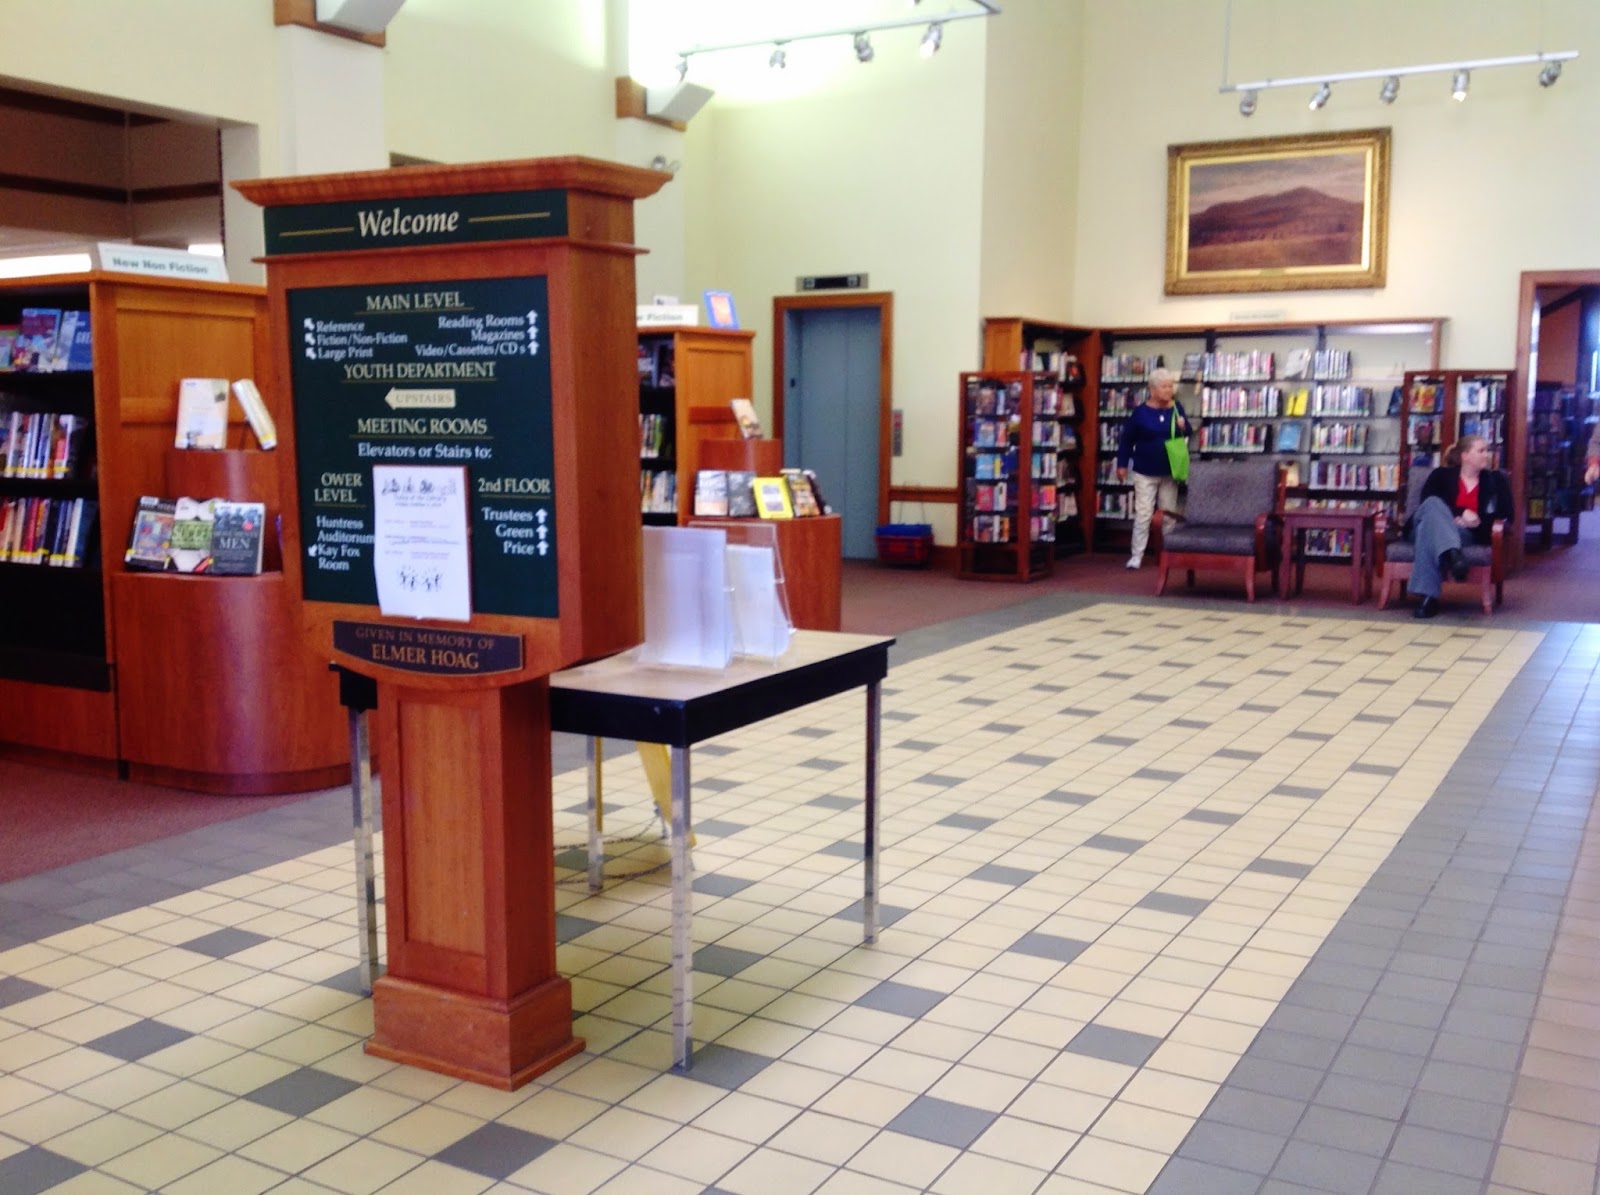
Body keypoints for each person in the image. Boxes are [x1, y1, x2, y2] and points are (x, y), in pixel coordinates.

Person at [1404, 433, 1513, 619]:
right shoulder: (1441, 475)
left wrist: (1477, 521)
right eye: (1481, 451)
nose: (1486, 455)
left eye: (1487, 451)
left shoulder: (1495, 480)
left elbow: (1507, 515)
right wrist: (1458, 513)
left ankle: (1428, 598)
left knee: (1428, 531)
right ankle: (1454, 555)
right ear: (1465, 456)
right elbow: (1426, 504)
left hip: (1466, 533)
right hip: (1426, 523)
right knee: (1432, 504)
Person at [1114, 366, 1193, 569]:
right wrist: (1122, 464)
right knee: (1143, 514)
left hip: (1170, 470)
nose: (1169, 390)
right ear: (1153, 390)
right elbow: (1126, 441)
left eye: (1170, 386)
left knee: (1168, 514)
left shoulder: (1177, 408)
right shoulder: (1140, 413)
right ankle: (1136, 555)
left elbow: (1188, 432)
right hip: (1144, 470)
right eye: (1165, 387)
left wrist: (1185, 426)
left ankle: (1168, 552)